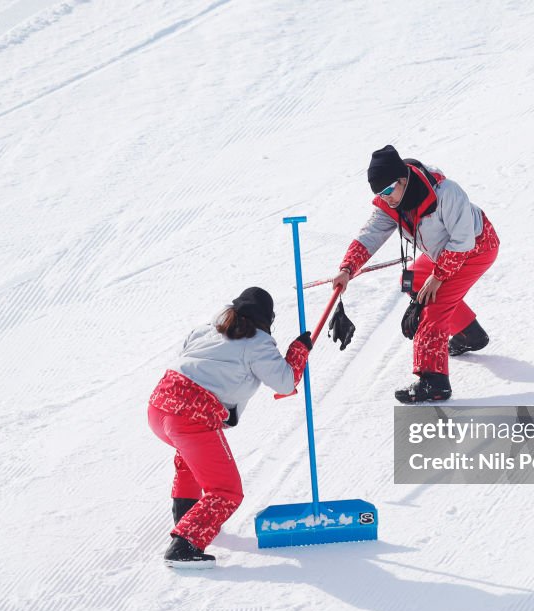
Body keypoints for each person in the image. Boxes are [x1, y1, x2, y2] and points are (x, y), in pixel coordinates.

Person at [148, 287, 312, 568]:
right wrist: (299, 351)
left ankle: (189, 519)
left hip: (159, 407)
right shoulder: (258, 343)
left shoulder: (207, 329)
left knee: (190, 463)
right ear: (267, 319)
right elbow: (285, 382)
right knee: (226, 490)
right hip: (192, 417)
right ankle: (184, 546)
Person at [331, 145, 500, 403]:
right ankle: (469, 333)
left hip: (476, 248)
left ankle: (434, 382)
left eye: (388, 191)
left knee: (433, 305)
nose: (385, 197)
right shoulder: (392, 203)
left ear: (402, 180)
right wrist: (347, 269)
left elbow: (463, 242)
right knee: (414, 280)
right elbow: (370, 236)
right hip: (443, 254)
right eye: (380, 193)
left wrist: (439, 276)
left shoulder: (446, 194)